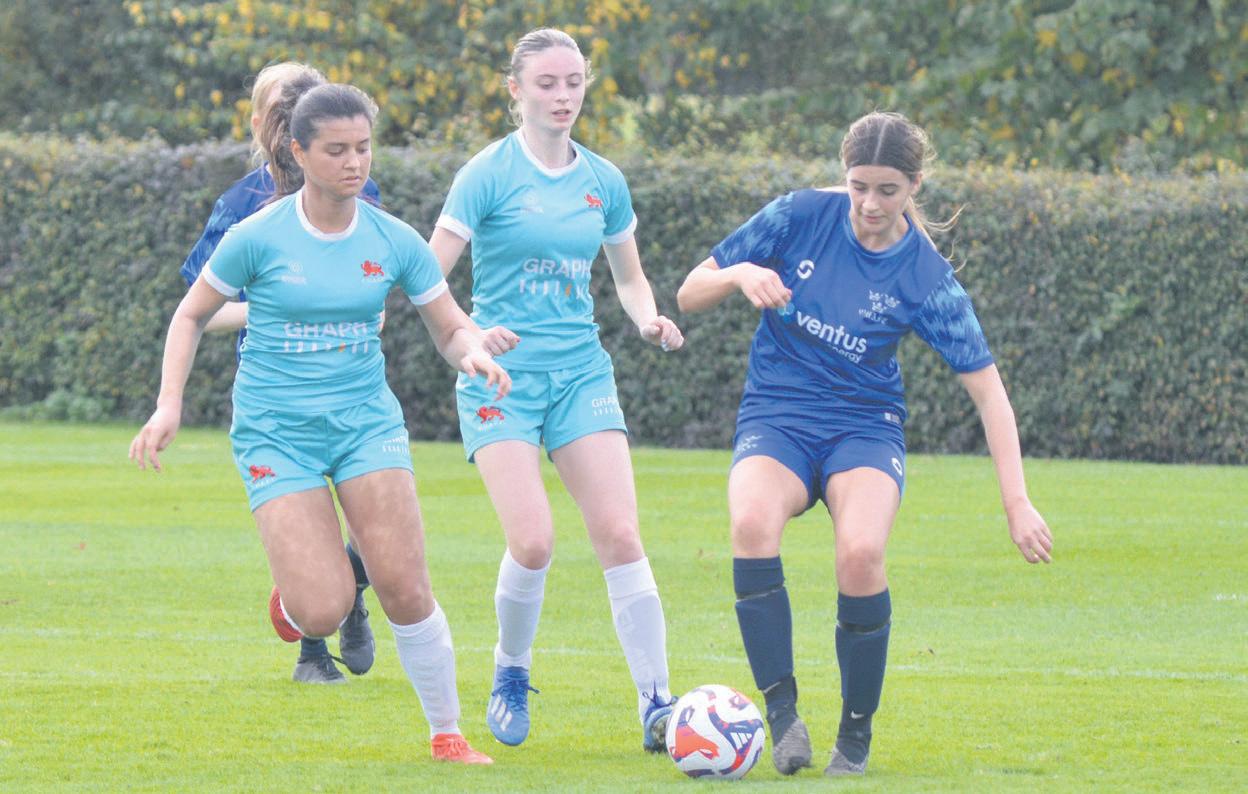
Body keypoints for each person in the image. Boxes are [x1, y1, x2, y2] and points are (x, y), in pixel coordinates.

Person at [131, 82, 505, 764]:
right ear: (299, 153)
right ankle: (296, 598)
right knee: (324, 610)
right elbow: (190, 315)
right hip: (276, 433)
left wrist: (473, 352)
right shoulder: (256, 236)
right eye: (336, 150)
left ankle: (447, 734)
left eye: (363, 148)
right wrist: (169, 404)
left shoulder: (395, 239)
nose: (353, 163)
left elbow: (451, 327)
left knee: (404, 586)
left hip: (366, 424)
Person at [676, 111, 1053, 777]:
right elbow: (688, 292)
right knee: (751, 522)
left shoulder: (925, 277)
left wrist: (1016, 503)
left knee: (861, 553)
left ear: (913, 186)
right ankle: (783, 716)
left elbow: (990, 393)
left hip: (863, 426)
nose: (870, 204)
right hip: (779, 413)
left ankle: (853, 737)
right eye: (858, 187)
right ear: (844, 176)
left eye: (887, 190)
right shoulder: (797, 215)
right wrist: (739, 276)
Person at [427, 27, 685, 752]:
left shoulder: (603, 179)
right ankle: (511, 669)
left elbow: (629, 277)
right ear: (516, 90)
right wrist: (471, 334)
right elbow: (425, 277)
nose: (563, 95)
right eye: (546, 83)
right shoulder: (486, 173)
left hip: (581, 373)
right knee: (534, 542)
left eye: (573, 82)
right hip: (500, 378)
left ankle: (657, 704)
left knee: (620, 534)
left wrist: (647, 319)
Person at [178, 61, 384, 685]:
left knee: (379, 528)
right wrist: (273, 308)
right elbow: (199, 311)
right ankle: (312, 652)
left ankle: (352, 589)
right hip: (276, 390)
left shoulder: (359, 188)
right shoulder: (240, 205)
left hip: (352, 381)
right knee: (300, 517)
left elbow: (375, 278)